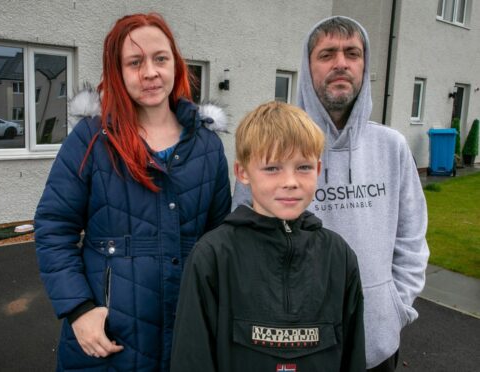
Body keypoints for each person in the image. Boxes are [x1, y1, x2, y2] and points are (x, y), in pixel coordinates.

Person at [34, 12, 231, 371]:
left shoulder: (207, 146)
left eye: (160, 59)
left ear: (176, 64)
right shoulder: (92, 139)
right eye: (135, 62)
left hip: (187, 331)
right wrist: (78, 309)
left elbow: (219, 241)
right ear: (117, 72)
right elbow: (53, 228)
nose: (150, 72)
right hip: (109, 338)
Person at [233, 16, 429, 371]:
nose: (341, 63)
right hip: (293, 345)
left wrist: (395, 308)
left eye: (352, 53)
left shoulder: (392, 147)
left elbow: (412, 240)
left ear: (364, 64)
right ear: (307, 68)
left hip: (376, 343)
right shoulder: (271, 148)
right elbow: (243, 243)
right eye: (327, 54)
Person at [171, 101, 365, 371]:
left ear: (318, 171)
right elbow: (192, 360)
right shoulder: (213, 256)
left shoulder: (339, 256)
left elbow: (353, 355)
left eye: (303, 167)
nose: (290, 181)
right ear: (243, 173)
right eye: (273, 168)